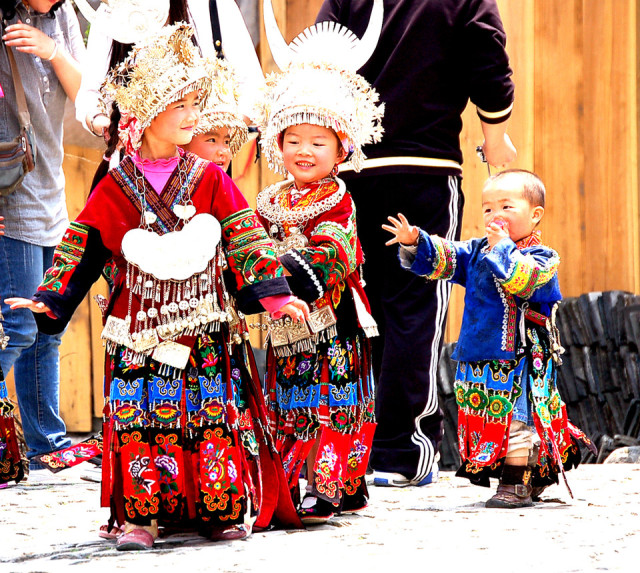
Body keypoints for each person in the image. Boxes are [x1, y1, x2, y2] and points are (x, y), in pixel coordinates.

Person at [6, 24, 307, 550]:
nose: (196, 116)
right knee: (140, 418)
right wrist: (50, 296)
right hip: (137, 326)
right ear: (147, 114)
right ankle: (141, 520)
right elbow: (84, 241)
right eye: (183, 105)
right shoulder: (117, 182)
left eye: (197, 104)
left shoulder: (211, 177)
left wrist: (277, 296)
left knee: (210, 415)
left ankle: (216, 510)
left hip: (201, 325)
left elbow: (245, 237)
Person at [316, 0, 517, 487]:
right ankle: (399, 450)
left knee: (361, 308)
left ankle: (346, 448)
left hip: (351, 173)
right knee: (415, 307)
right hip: (425, 168)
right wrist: (495, 133)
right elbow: (488, 62)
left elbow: (320, 60)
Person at [383, 169, 595, 508]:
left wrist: (502, 249)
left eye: (506, 207)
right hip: (479, 353)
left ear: (535, 214)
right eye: (487, 209)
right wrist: (415, 241)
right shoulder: (477, 251)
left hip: (520, 358)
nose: (495, 215)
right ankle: (531, 474)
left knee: (517, 419)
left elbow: (522, 282)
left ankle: (516, 484)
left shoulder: (543, 258)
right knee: (489, 420)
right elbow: (446, 257)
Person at [252, 0, 383, 524]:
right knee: (291, 402)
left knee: (337, 402)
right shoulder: (268, 201)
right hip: (286, 322)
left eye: (318, 142)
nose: (304, 151)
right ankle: (286, 485)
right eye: (294, 141)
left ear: (341, 149)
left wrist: (282, 276)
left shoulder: (340, 199)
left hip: (334, 320)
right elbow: (252, 248)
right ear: (277, 144)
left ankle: (333, 486)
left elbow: (331, 253)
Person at [0, 0, 84, 467]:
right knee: (14, 328)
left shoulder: (62, 14)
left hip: (50, 187)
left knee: (47, 322)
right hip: (8, 196)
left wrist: (53, 50)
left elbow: (86, 96)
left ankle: (47, 442)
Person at [75, 0, 264, 138]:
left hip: (205, 166)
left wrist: (219, 135)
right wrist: (103, 124)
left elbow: (253, 85)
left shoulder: (212, 5)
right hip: (136, 169)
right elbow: (90, 95)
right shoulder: (111, 12)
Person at [182, 54, 249, 171]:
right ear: (183, 143)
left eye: (227, 142)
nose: (223, 151)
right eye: (212, 140)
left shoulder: (227, 189)